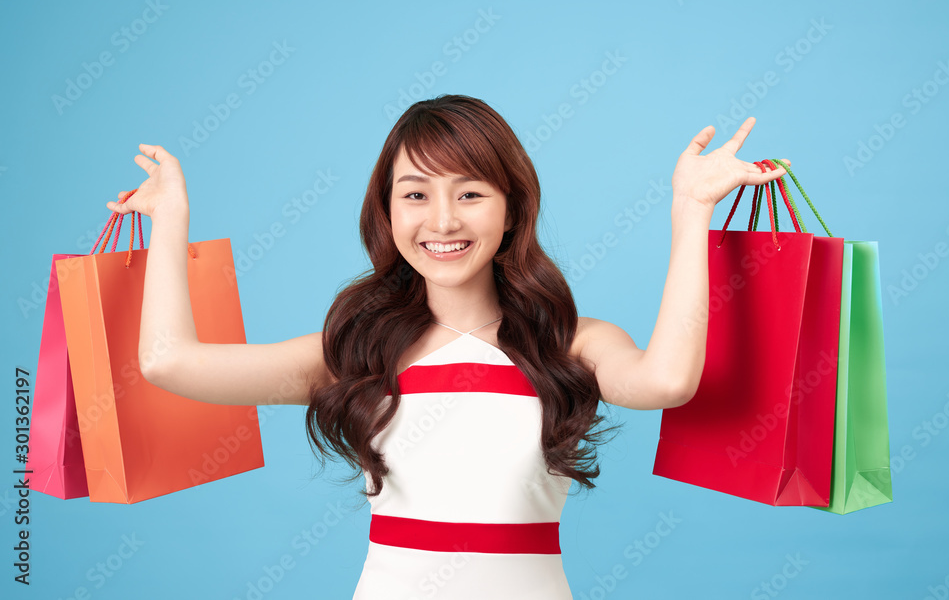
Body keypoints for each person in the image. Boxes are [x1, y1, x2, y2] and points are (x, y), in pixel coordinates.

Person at [106, 94, 787, 598]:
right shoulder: (355, 352)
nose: (441, 220)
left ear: (512, 207)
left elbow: (668, 382)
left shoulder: (572, 343)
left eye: (469, 193)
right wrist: (171, 219)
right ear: (388, 210)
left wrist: (690, 210)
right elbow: (169, 359)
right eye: (415, 194)